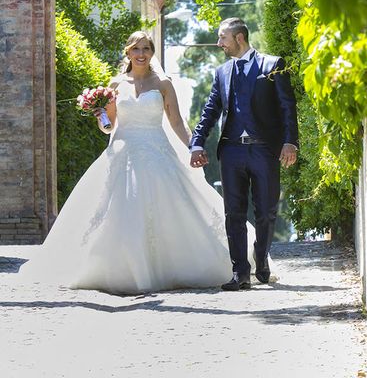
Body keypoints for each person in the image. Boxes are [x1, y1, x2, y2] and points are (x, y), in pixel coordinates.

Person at [19, 31, 246, 295]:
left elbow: (176, 122)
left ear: (151, 53)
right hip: (122, 152)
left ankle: (169, 265)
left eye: (146, 49)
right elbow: (109, 127)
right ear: (128, 52)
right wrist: (100, 115)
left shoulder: (163, 84)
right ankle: (115, 267)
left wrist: (193, 146)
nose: (141, 54)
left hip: (156, 152)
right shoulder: (115, 84)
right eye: (136, 49)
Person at [190, 17, 299, 291]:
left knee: (266, 210)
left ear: (239, 37)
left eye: (222, 37)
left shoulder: (272, 65)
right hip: (231, 151)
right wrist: (197, 142)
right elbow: (210, 111)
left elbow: (288, 107)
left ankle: (260, 256)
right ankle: (240, 271)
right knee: (233, 213)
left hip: (263, 149)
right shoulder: (222, 73)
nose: (219, 43)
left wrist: (290, 142)